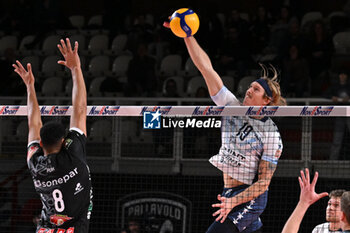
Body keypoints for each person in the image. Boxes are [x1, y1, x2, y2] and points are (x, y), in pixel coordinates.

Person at [164, 21, 286, 233]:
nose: (248, 90)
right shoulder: (231, 106)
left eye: (255, 89)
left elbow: (264, 183)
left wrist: (233, 202)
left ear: (267, 100)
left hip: (250, 197)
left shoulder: (271, 134)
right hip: (228, 191)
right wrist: (187, 36)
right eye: (249, 86)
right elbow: (205, 68)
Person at [13, 38, 92, 233]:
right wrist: (76, 69)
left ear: (41, 142)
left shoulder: (35, 162)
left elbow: (33, 123)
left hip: (48, 228)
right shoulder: (71, 154)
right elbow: (80, 109)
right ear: (64, 142)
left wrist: (29, 87)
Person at [281, 168, 329, 233]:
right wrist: (304, 203)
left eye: (336, 205)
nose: (331, 208)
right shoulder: (320, 229)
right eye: (329, 204)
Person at [328, 70, 350, 160]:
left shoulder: (349, 86)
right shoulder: (335, 86)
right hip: (339, 114)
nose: (342, 76)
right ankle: (332, 161)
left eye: (344, 74)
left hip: (349, 114)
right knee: (337, 140)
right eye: (341, 74)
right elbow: (325, 94)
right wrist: (332, 97)